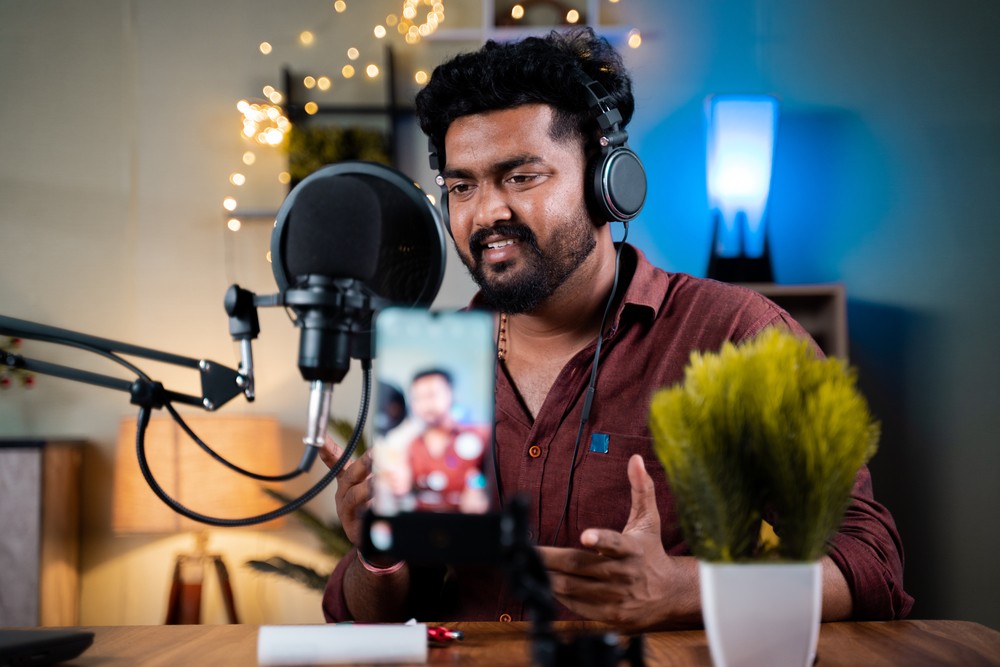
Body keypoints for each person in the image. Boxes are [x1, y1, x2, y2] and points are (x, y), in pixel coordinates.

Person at [319, 27, 913, 629]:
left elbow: (871, 566)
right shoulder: (435, 362)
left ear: (608, 183)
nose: (487, 212)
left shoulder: (738, 336)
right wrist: (377, 555)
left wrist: (683, 589)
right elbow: (371, 619)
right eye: (462, 186)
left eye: (521, 177)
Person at [374, 369, 490, 513]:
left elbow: (489, 477)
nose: (425, 404)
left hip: (467, 526)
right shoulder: (411, 444)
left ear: (450, 393)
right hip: (421, 526)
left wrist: (479, 484)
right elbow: (400, 484)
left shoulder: (481, 435)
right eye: (417, 398)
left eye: (431, 395)